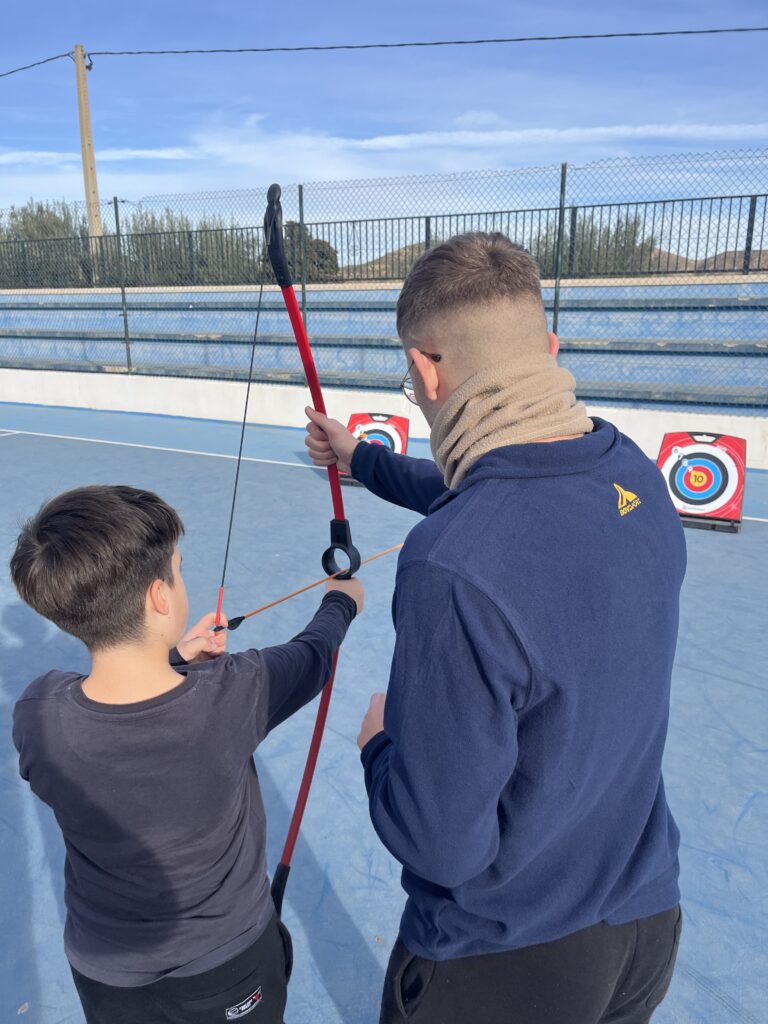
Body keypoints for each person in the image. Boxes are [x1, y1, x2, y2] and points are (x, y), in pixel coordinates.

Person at [304, 232, 685, 1024]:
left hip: (504, 961)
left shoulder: (452, 564)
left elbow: (440, 843)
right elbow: (503, 491)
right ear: (548, 348)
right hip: (644, 928)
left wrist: (378, 747)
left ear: (426, 371)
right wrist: (361, 459)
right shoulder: (633, 476)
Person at [10, 484, 363, 1024]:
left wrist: (174, 656)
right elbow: (313, 654)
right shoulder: (233, 693)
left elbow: (125, 716)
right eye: (177, 570)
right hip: (226, 966)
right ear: (160, 597)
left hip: (105, 974)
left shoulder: (38, 711)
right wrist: (342, 599)